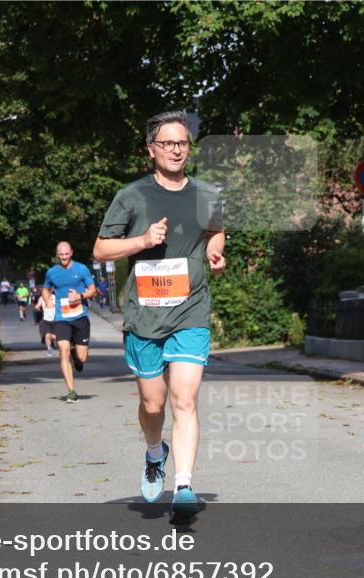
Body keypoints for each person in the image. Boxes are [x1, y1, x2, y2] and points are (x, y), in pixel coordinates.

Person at [93, 111, 225, 517]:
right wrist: (142, 240)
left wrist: (215, 252)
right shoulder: (131, 196)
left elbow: (215, 230)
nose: (175, 150)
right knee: (154, 405)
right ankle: (155, 453)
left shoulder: (206, 194)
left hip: (190, 310)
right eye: (167, 143)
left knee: (184, 400)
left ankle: (184, 485)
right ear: (151, 150)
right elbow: (101, 250)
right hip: (146, 316)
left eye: (182, 143)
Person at [42, 242, 96, 403]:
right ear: (57, 254)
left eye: (67, 254)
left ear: (71, 253)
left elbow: (93, 290)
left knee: (83, 357)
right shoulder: (52, 272)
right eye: (61, 254)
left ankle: (76, 354)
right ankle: (71, 391)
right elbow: (45, 289)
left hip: (80, 317)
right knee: (62, 349)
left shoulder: (81, 269)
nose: (64, 257)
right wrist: (47, 300)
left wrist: (79, 296)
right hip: (62, 318)